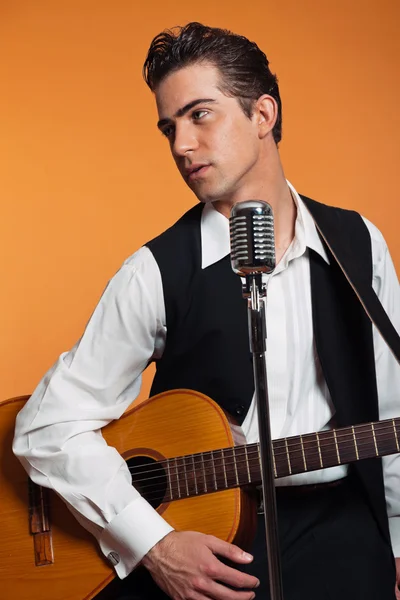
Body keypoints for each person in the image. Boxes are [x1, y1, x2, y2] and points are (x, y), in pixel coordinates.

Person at [13, 22, 400, 600]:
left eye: (200, 115)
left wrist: (396, 539)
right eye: (170, 127)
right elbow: (45, 428)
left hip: (345, 534)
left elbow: (390, 407)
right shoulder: (155, 270)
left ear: (263, 115)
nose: (181, 145)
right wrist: (154, 543)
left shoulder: (358, 243)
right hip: (210, 540)